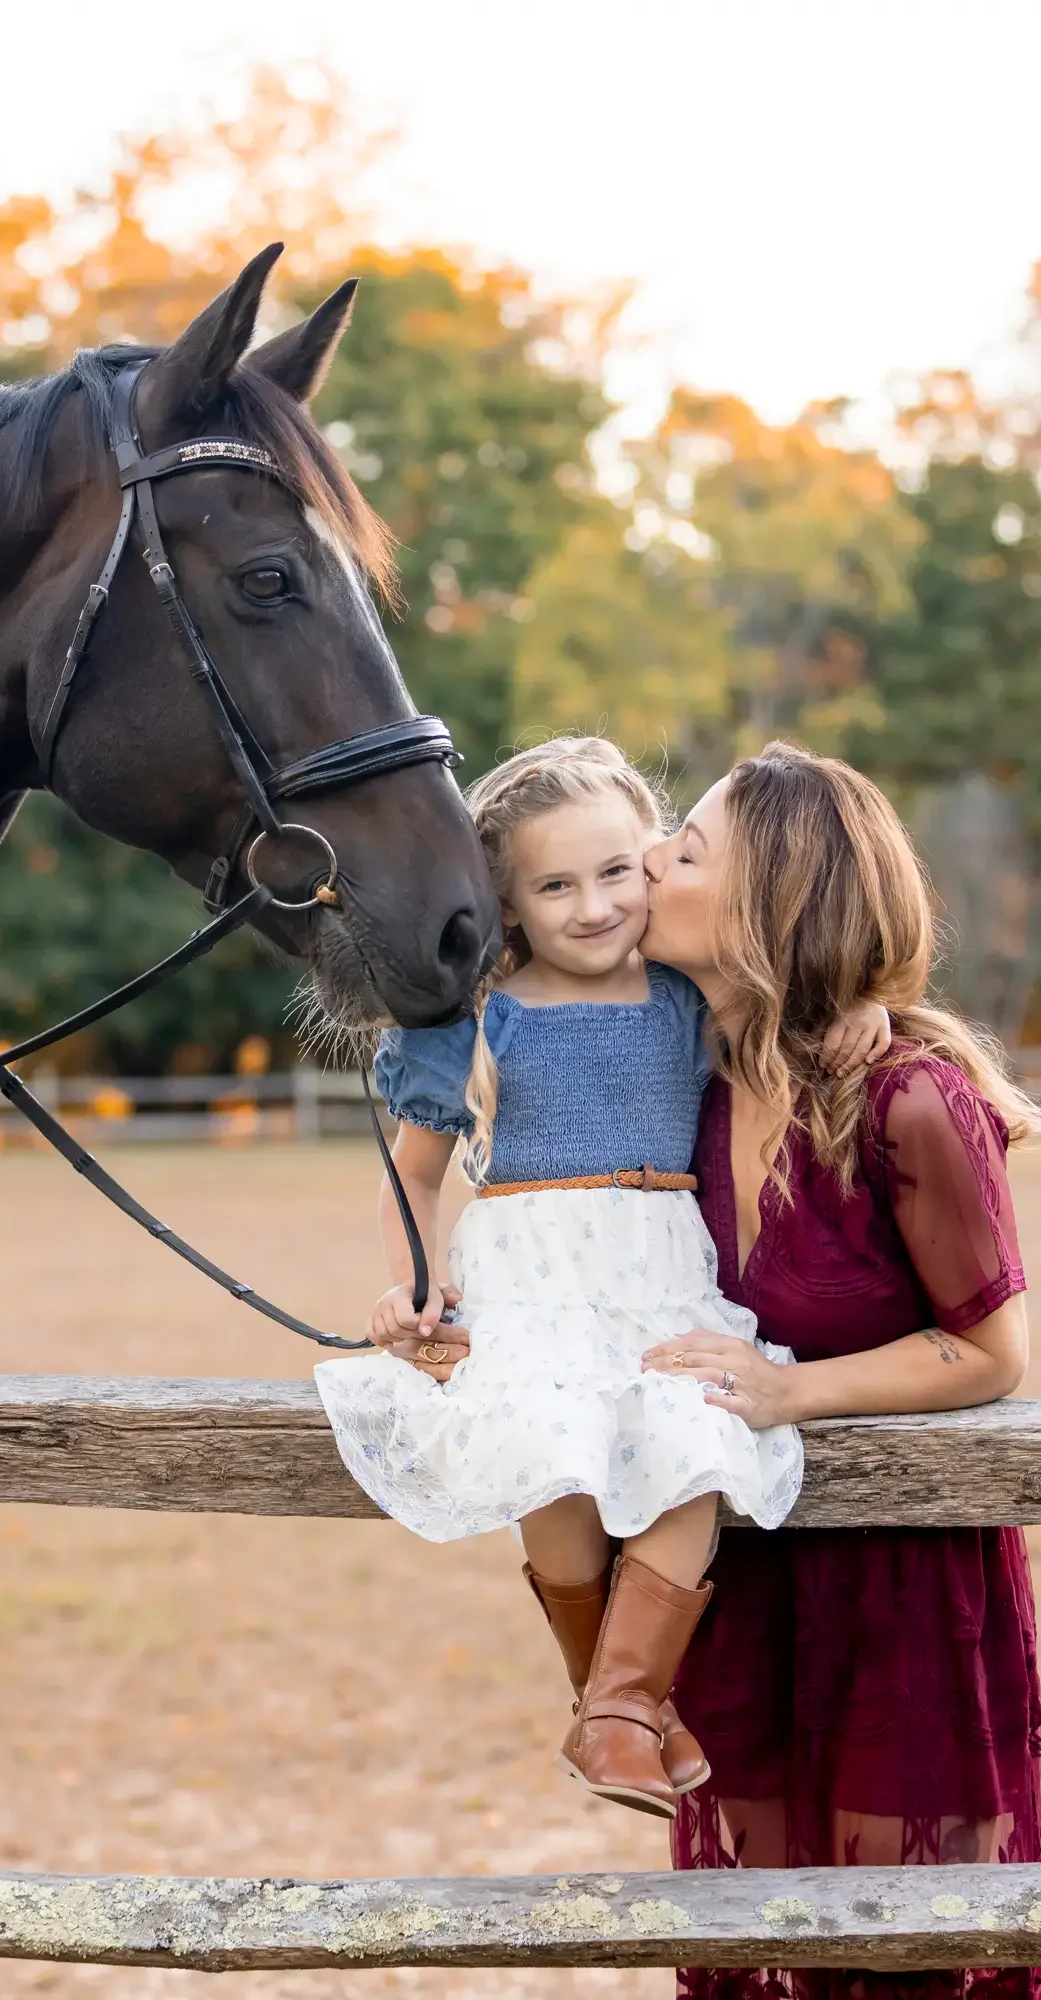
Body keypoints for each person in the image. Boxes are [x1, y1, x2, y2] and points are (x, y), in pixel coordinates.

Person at [314, 737, 890, 1819]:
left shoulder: (684, 993)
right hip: (531, 1274)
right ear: (509, 903)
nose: (593, 905)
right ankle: (615, 1704)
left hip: (659, 1272)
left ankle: (619, 1706)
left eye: (617, 871)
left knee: (703, 1434)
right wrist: (415, 1291)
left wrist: (854, 1008)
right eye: (555, 884)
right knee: (547, 1449)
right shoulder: (478, 1021)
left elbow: (789, 1016)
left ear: (651, 865)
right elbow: (416, 1171)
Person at [636, 741, 1041, 2000]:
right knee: (757, 1941)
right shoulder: (682, 1080)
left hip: (905, 1595)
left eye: (686, 849)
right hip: (742, 1580)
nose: (650, 861)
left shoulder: (909, 1100)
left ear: (771, 903)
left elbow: (991, 1348)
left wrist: (787, 1389)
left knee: (908, 1942)